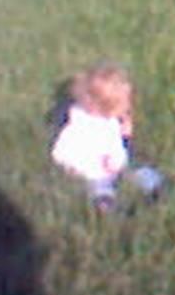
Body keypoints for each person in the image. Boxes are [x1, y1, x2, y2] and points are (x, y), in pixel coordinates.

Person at [51, 63, 163, 212]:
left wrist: (125, 133)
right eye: (125, 103)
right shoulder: (81, 126)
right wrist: (71, 166)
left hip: (115, 162)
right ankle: (105, 203)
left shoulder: (110, 120)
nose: (129, 107)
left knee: (137, 170)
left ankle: (155, 185)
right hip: (94, 168)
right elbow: (62, 149)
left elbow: (118, 140)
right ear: (105, 108)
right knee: (101, 184)